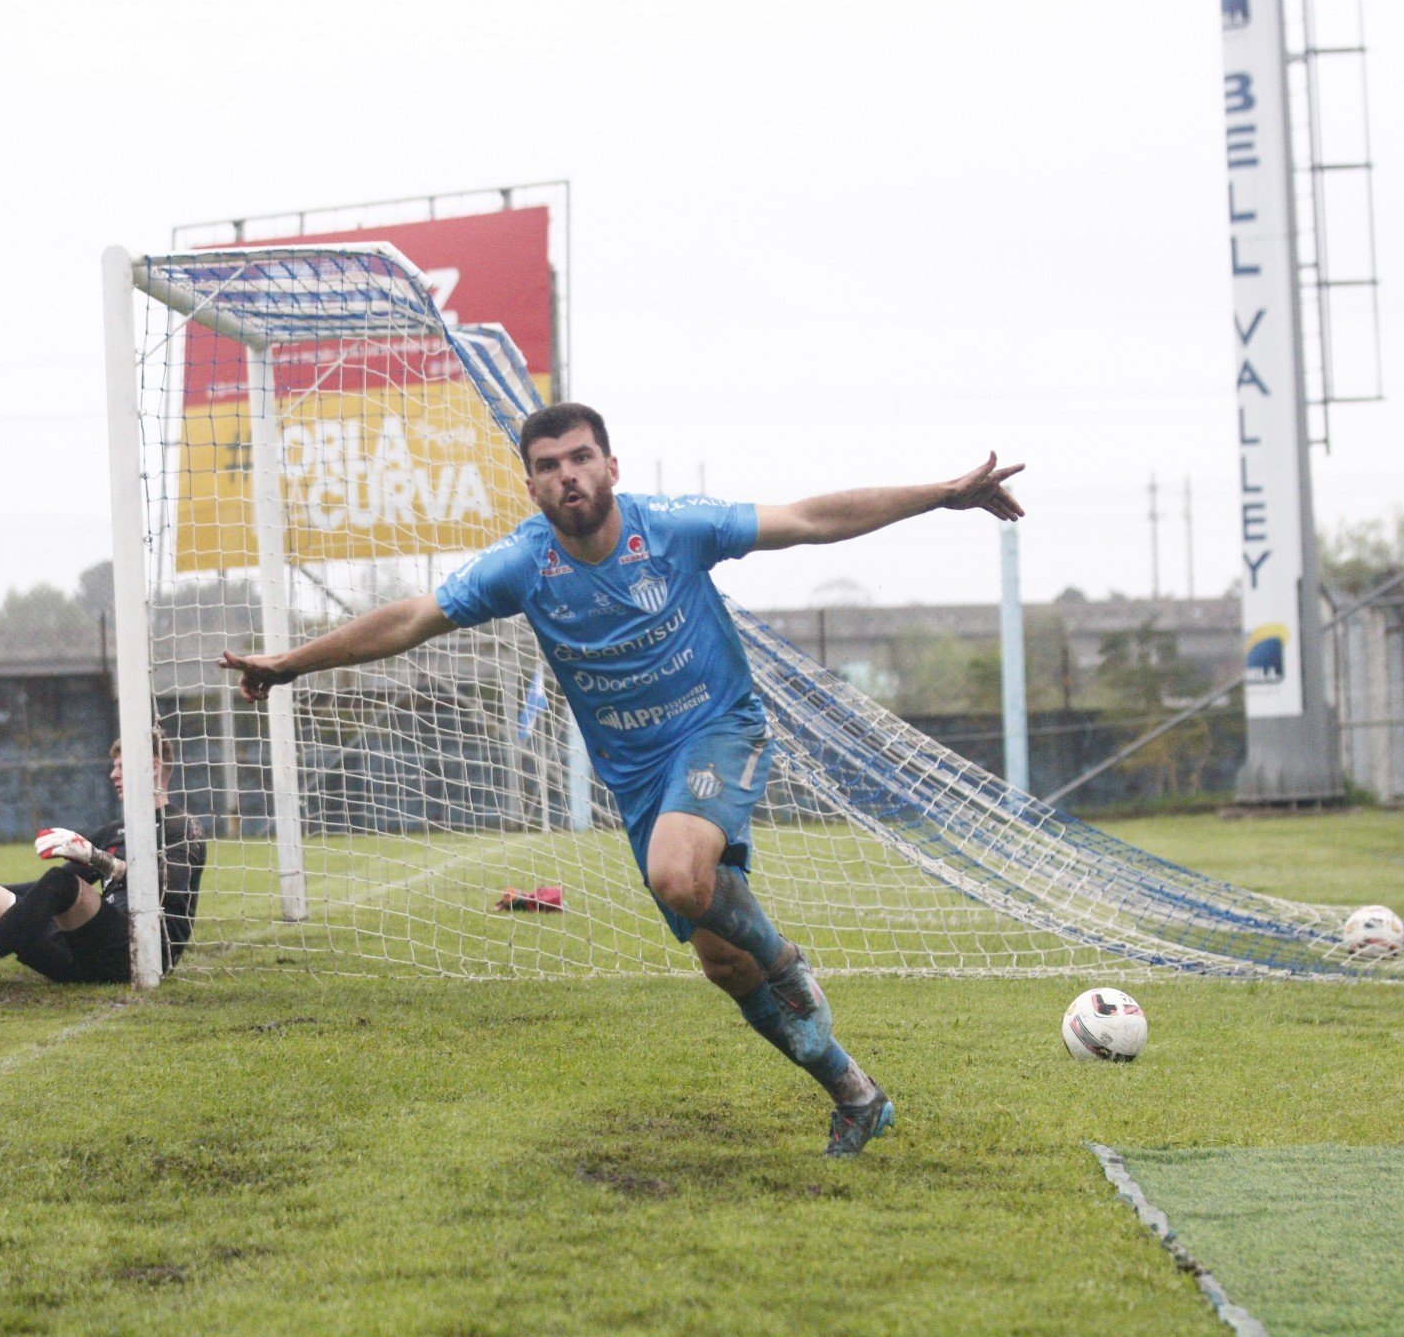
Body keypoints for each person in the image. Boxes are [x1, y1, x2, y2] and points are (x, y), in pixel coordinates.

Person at [221, 402, 1023, 1157]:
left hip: (719, 730)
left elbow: (812, 519)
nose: (567, 474)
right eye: (548, 465)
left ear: (610, 466)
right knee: (721, 962)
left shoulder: (674, 529)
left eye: (580, 458)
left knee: (679, 878)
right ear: (531, 485)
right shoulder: (521, 565)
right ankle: (855, 1094)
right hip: (638, 779)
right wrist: (290, 663)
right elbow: (409, 619)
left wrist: (942, 495)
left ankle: (786, 959)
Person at [0, 732, 203, 990]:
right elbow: (46, 894)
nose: (113, 774)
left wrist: (100, 860)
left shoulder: (181, 826)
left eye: (121, 766)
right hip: (81, 953)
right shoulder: (113, 831)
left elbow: (169, 888)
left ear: (153, 766)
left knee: (61, 880)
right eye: (114, 766)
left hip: (140, 955)